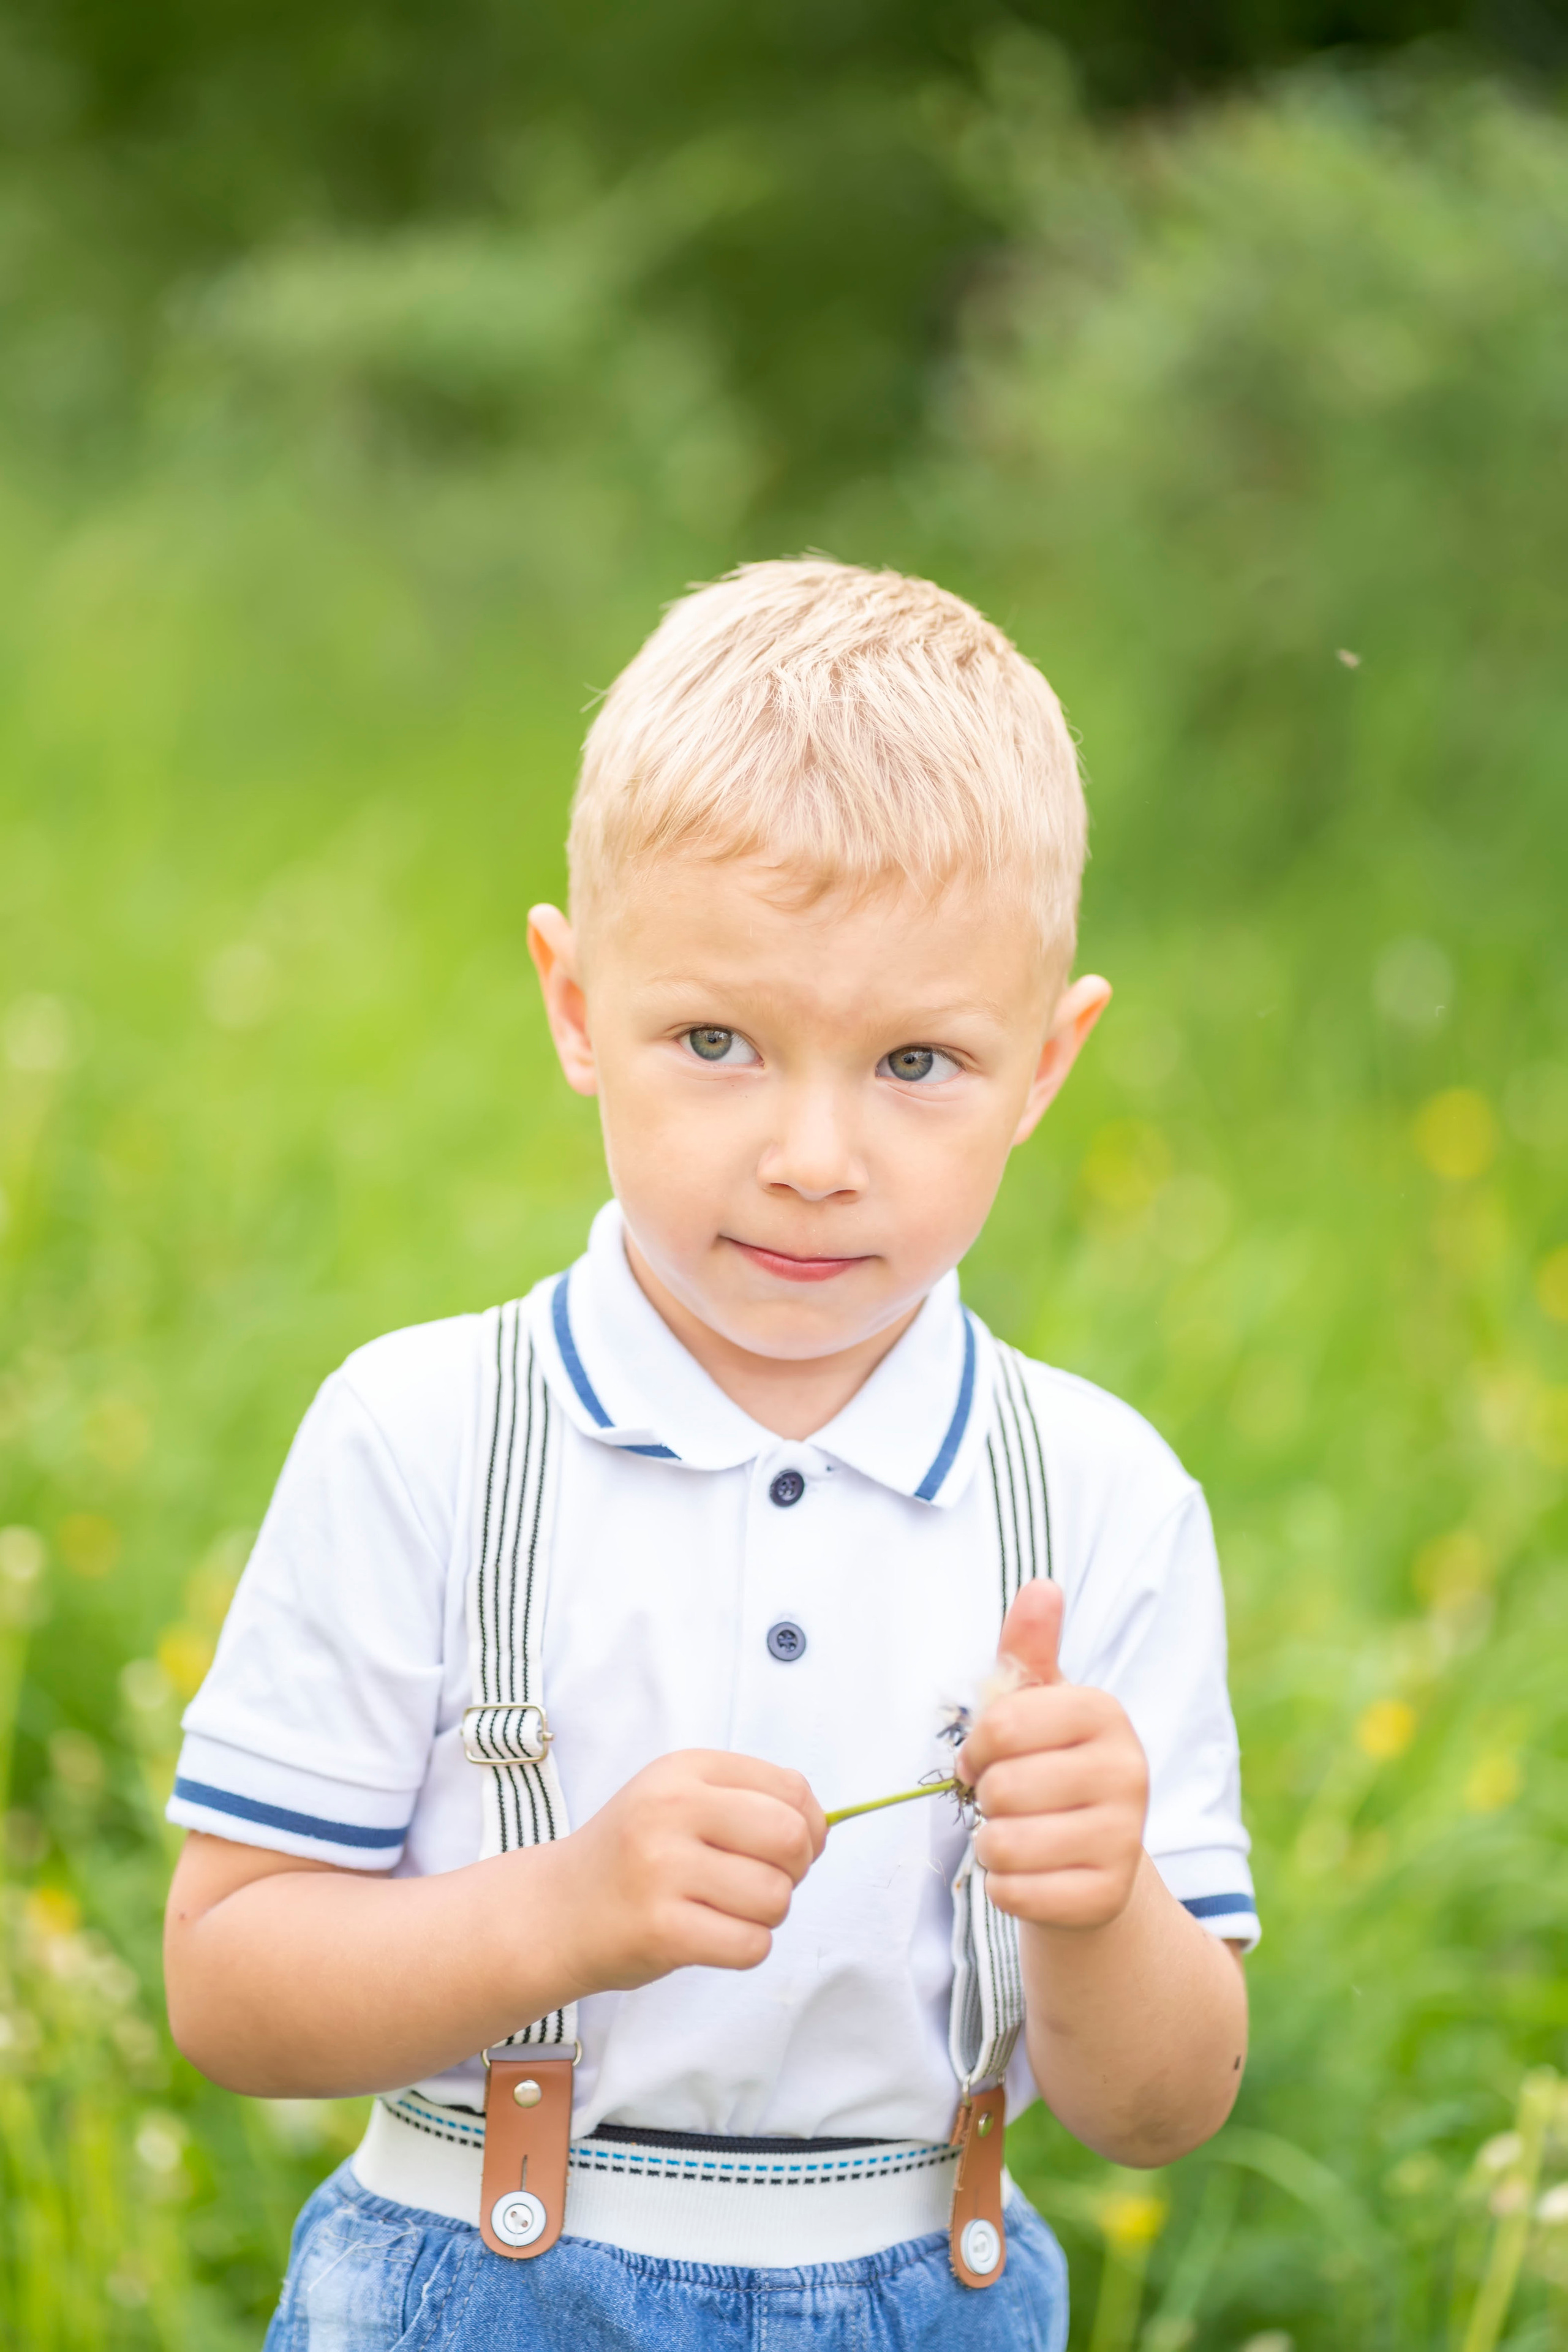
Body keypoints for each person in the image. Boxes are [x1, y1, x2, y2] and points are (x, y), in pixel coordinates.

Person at [162, 560, 1256, 2352]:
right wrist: (564, 1910)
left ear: (1048, 1066)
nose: (815, 1153)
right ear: (576, 1004)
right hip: (481, 2284)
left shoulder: (1100, 1493)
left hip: (941, 2293)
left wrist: (1101, 1897)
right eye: (719, 1043)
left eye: (917, 1060)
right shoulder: (427, 1435)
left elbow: (1161, 2107)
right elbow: (228, 1987)